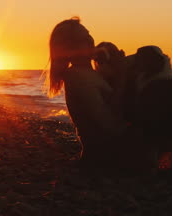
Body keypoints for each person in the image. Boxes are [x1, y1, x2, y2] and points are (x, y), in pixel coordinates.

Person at [47, 17, 126, 172]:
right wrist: (123, 76)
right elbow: (106, 125)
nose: (90, 40)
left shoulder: (89, 73)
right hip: (104, 158)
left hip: (106, 153)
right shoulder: (78, 77)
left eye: (89, 34)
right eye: (83, 38)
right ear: (70, 47)